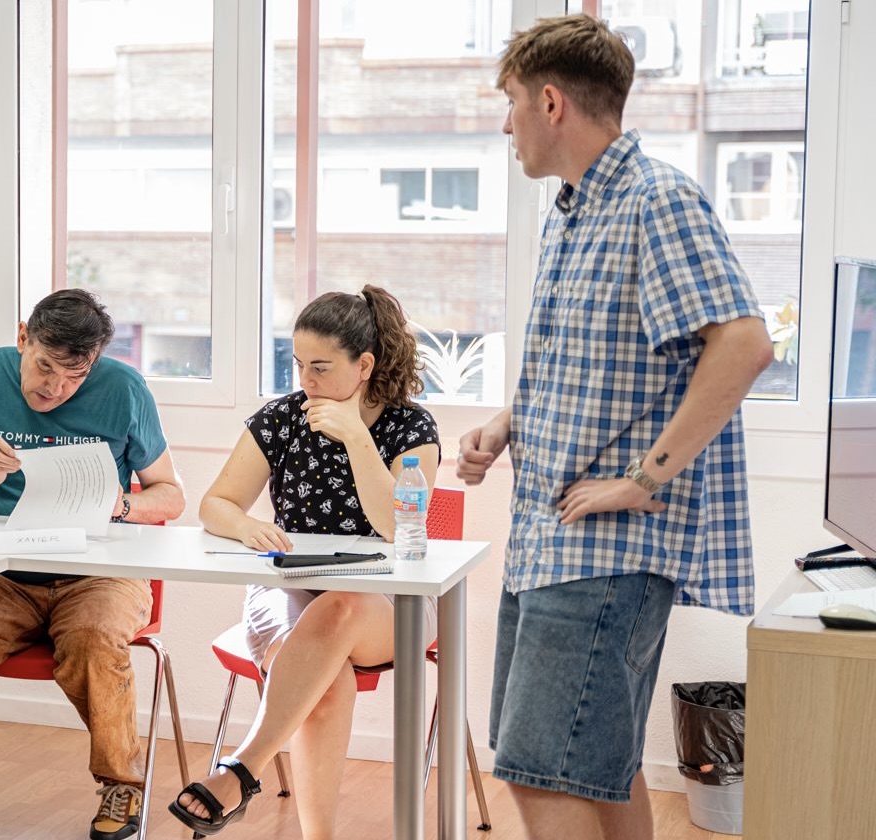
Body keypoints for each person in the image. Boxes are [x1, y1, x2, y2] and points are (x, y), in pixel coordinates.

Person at [457, 16, 773, 840]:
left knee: (541, 774)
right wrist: (507, 423)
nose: (506, 124)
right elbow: (604, 368)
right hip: (550, 543)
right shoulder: (572, 215)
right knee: (596, 769)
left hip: (604, 553)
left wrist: (644, 480)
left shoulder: (655, 202)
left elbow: (742, 346)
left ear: (551, 102)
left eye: (513, 104)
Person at [0, 289, 185, 840]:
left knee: (94, 641)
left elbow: (171, 495)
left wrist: (122, 504)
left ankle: (121, 782)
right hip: (5, 572)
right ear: (22, 337)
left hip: (100, 571)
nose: (54, 388)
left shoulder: (125, 389)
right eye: (45, 367)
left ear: (95, 363)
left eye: (75, 376)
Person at [168, 287, 440, 838]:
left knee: (340, 606)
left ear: (364, 365)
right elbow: (214, 505)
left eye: (320, 367)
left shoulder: (412, 427)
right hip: (286, 587)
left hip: (387, 604)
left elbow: (398, 525)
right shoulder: (282, 418)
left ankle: (241, 767)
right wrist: (247, 526)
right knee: (328, 679)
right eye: (298, 365)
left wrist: (357, 438)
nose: (305, 381)